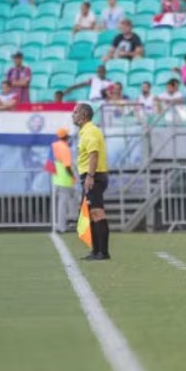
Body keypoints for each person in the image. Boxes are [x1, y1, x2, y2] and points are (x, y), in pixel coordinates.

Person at [73, 103, 111, 260]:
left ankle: (103, 252)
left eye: (75, 112)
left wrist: (90, 176)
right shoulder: (86, 131)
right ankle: (96, 251)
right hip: (91, 176)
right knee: (90, 213)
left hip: (94, 176)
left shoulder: (90, 132)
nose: (73, 115)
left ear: (83, 115)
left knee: (97, 212)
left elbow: (93, 155)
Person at [51, 128, 76, 234]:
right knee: (65, 203)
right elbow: (67, 166)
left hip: (56, 178)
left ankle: (71, 219)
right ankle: (64, 225)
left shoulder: (55, 146)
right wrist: (73, 176)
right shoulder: (65, 148)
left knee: (72, 199)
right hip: (65, 180)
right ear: (66, 137)